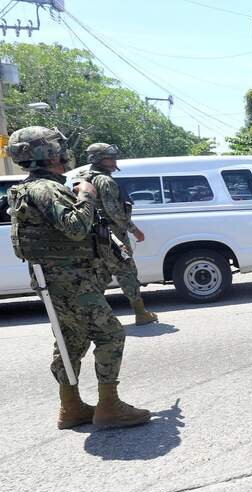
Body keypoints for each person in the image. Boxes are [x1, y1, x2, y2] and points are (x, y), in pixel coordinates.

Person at [6, 127, 151, 429]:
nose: (63, 151)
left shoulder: (34, 187)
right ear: (46, 153)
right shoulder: (44, 189)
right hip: (70, 281)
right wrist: (86, 195)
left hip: (60, 280)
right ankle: (109, 406)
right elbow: (74, 226)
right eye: (56, 147)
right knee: (110, 335)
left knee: (70, 339)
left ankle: (70, 407)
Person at [79, 143, 158, 326]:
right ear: (97, 159)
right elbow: (113, 210)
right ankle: (140, 313)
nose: (114, 161)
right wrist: (133, 229)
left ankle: (90, 319)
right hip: (111, 235)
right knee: (127, 271)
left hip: (91, 236)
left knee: (98, 275)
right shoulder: (105, 181)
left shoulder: (82, 177)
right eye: (109, 157)